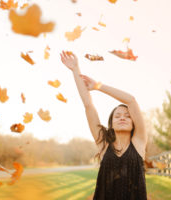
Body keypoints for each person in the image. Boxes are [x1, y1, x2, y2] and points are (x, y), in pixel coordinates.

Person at [60, 51, 148, 200]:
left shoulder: (139, 142)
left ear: (134, 124)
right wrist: (75, 70)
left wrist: (98, 86)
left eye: (127, 116)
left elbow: (131, 100)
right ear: (111, 124)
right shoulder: (104, 145)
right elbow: (88, 105)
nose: (122, 118)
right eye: (117, 116)